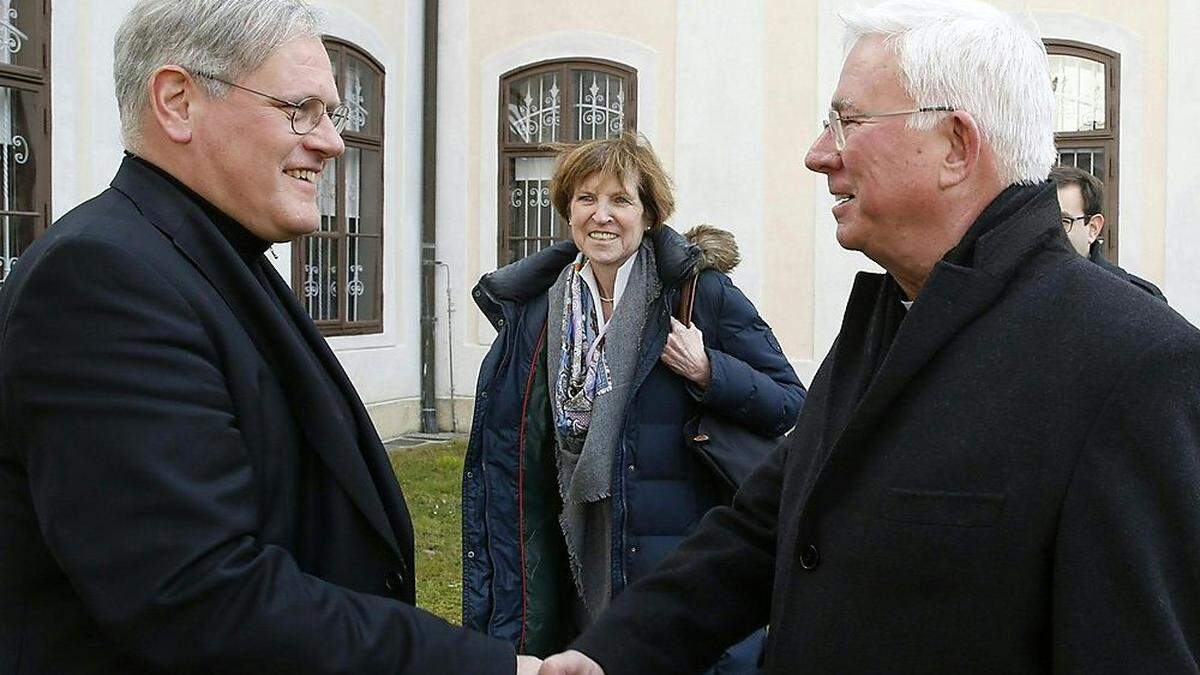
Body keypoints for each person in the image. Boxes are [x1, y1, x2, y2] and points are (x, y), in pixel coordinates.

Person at [539, 2, 1200, 673]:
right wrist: (607, 654)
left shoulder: (1131, 361)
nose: (818, 154)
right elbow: (765, 531)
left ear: (956, 146)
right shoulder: (893, 315)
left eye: (846, 122)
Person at [0, 1, 534, 672]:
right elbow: (199, 598)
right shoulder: (101, 280)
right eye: (300, 109)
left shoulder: (212, 254)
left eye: (332, 114)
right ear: (177, 101)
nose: (333, 141)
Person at [463, 132, 805, 672]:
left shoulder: (697, 294)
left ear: (649, 215)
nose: (602, 215)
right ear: (567, 212)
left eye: (620, 200)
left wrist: (710, 371)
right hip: (572, 559)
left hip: (675, 565)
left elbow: (791, 404)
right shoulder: (535, 311)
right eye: (586, 199)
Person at [1049, 164, 1167, 301]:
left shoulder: (1136, 299)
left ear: (1093, 228)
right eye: (1042, 220)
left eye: (1064, 221)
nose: (1049, 231)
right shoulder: (1021, 292)